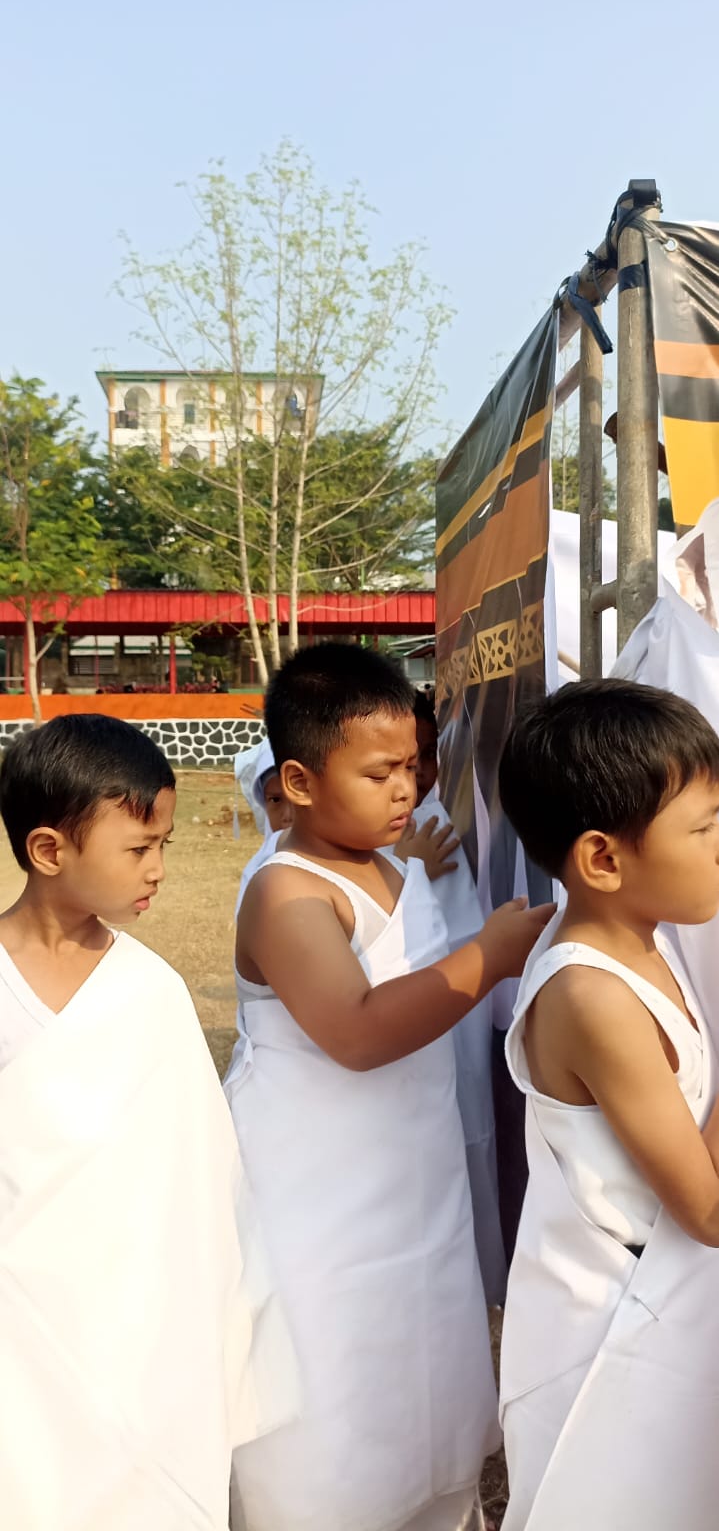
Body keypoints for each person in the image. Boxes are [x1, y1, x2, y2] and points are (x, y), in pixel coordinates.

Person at [227, 642, 553, 1531]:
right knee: (332, 1396)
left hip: (411, 1184)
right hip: (318, 1205)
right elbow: (359, 1031)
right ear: (296, 781)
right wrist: (486, 955)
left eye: (412, 765)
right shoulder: (288, 894)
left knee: (422, 1386)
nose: (405, 789)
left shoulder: (391, 865)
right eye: (378, 773)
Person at [0, 715, 297, 1529]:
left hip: (143, 1325)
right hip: (18, 1335)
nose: (159, 869)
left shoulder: (153, 991)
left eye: (163, 844)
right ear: (49, 850)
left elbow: (202, 1182)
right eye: (138, 849)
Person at [497, 679, 719, 1530]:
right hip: (614, 1336)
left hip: (652, 1311)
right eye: (701, 829)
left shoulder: (633, 936)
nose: (716, 846)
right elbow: (703, 1208)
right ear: (602, 859)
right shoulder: (595, 995)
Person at [402, 692, 506, 1305]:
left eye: (420, 759)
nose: (410, 777)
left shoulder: (438, 821)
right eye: (392, 764)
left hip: (455, 1021)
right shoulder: (402, 837)